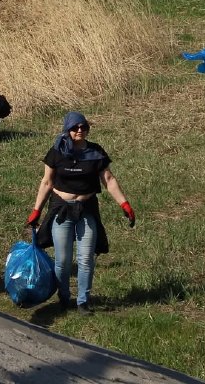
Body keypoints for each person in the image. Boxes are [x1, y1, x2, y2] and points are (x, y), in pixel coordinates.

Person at [26, 111, 135, 314]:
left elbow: (109, 180)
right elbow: (47, 182)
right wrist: (36, 211)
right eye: (75, 127)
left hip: (87, 209)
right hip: (62, 210)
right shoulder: (57, 151)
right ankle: (64, 296)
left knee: (85, 259)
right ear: (67, 129)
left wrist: (125, 205)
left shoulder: (95, 152)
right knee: (64, 260)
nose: (79, 131)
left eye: (83, 127)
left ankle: (83, 301)